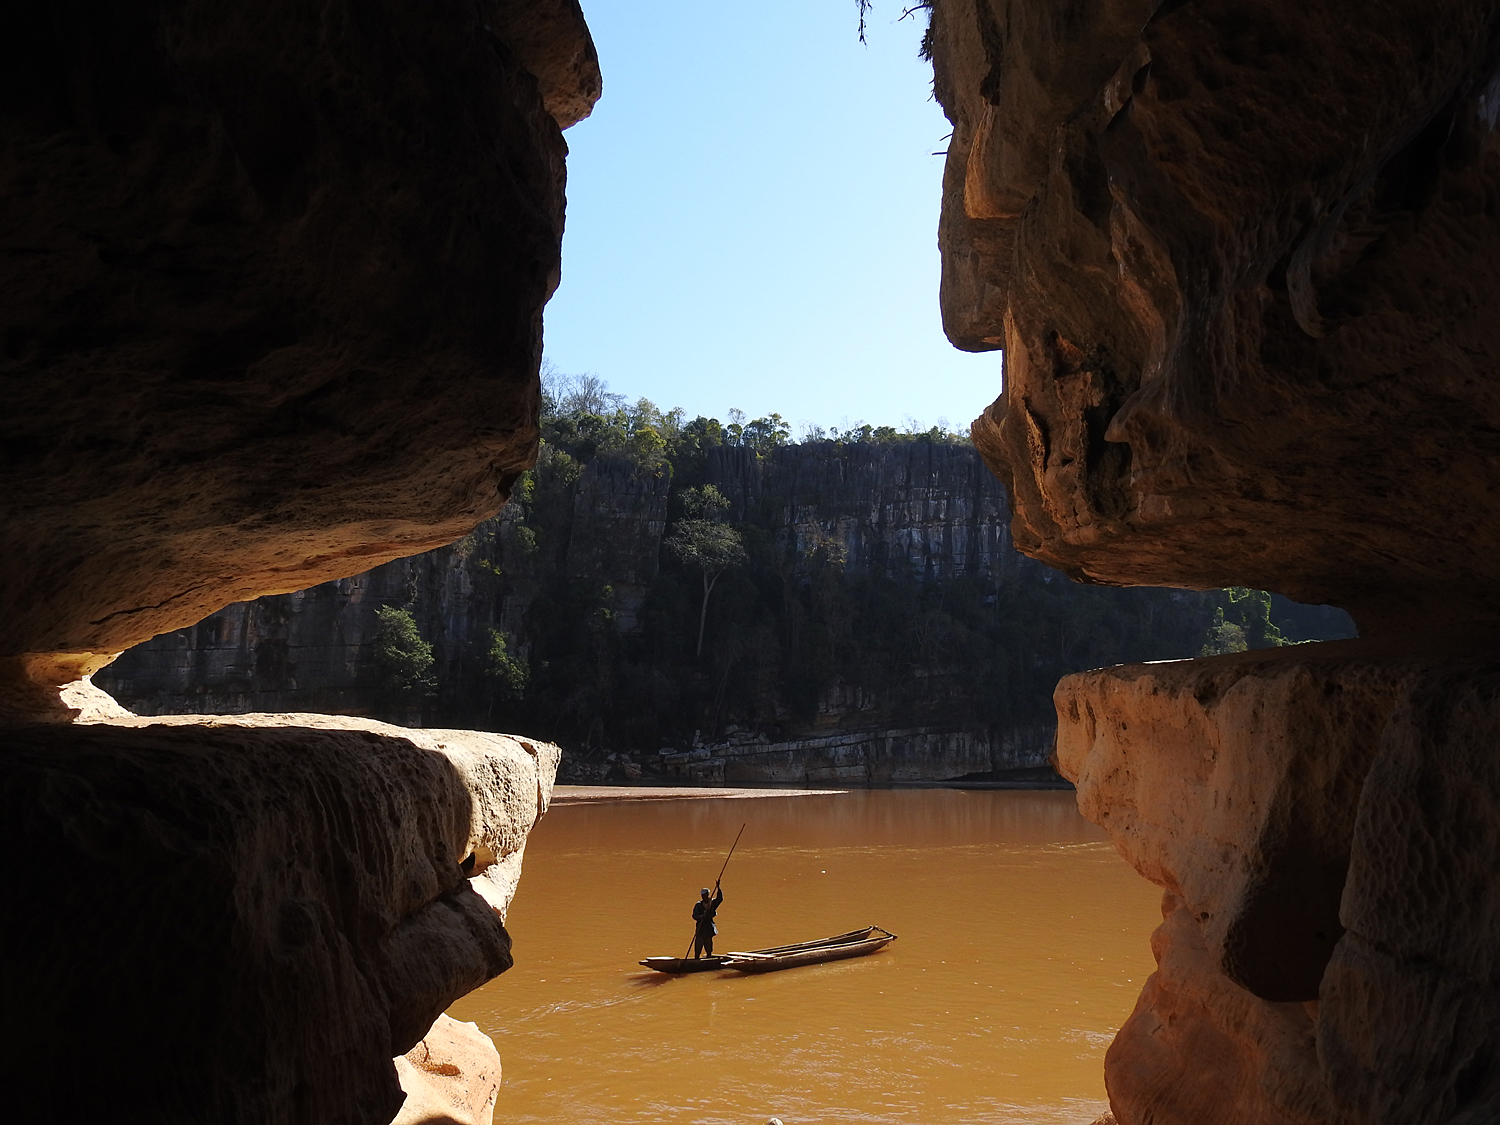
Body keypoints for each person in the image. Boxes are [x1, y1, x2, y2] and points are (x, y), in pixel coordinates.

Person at [691, 880, 724, 958]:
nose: (703, 897)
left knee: (708, 947)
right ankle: (696, 961)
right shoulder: (698, 905)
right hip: (700, 927)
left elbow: (720, 899)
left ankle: (709, 960)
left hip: (708, 928)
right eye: (702, 895)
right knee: (698, 947)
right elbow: (694, 915)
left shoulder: (712, 903)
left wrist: (718, 887)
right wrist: (701, 917)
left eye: (705, 895)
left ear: (707, 895)